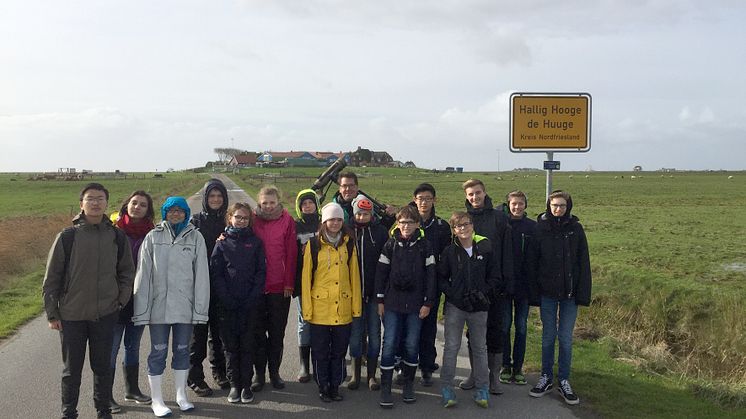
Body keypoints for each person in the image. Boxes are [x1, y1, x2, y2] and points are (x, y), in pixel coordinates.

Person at [43, 183, 136, 419]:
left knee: (102, 368)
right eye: (90, 198)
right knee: (71, 371)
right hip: (72, 316)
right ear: (81, 203)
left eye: (100, 198)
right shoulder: (67, 236)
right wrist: (53, 313)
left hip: (105, 314)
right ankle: (69, 413)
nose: (95, 203)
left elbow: (127, 272)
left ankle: (103, 411)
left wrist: (120, 300)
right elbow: (52, 278)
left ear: (107, 203)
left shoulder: (117, 236)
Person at [133, 197, 210, 417]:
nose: (176, 214)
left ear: (186, 214)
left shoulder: (196, 238)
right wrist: (141, 310)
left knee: (183, 351)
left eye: (180, 211)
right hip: (159, 309)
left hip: (184, 309)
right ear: (165, 213)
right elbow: (143, 275)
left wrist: (200, 309)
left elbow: (201, 276)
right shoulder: (152, 237)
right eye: (171, 211)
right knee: (158, 352)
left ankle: (181, 395)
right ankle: (157, 400)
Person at [527, 190, 591, 405]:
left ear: (568, 206)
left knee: (565, 338)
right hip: (547, 294)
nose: (558, 209)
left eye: (562, 205)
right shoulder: (540, 228)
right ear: (549, 206)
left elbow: (583, 262)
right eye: (554, 205)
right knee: (548, 336)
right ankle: (545, 377)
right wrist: (534, 293)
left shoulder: (576, 229)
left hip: (569, 295)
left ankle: (564, 380)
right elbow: (533, 262)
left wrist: (583, 294)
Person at [438, 211, 501, 408]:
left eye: (466, 224)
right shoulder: (449, 252)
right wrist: (454, 294)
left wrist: (483, 292)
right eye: (459, 226)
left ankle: (482, 389)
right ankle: (447, 388)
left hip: (479, 307)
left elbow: (495, 276)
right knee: (451, 348)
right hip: (456, 306)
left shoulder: (485, 248)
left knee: (480, 348)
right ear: (454, 230)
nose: (463, 228)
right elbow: (440, 278)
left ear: (473, 226)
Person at [375, 206, 437, 408]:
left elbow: (431, 277)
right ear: (397, 223)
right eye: (402, 222)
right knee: (390, 343)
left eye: (410, 222)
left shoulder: (425, 246)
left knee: (411, 344)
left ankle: (409, 385)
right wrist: (380, 300)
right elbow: (381, 274)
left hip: (416, 305)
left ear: (417, 224)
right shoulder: (390, 245)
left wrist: (428, 302)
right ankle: (386, 387)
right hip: (392, 304)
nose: (406, 226)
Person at [301, 203, 362, 402]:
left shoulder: (349, 244)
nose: (335, 223)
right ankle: (323, 385)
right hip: (320, 309)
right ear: (324, 222)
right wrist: (307, 310)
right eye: (331, 220)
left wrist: (356, 307)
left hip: (343, 308)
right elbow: (306, 279)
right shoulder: (313, 244)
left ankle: (335, 386)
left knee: (338, 351)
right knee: (320, 352)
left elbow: (354, 276)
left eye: (338, 220)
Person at [460, 179, 513, 395]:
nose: (475, 197)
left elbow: (507, 253)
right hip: (472, 288)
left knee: (495, 332)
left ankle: (494, 377)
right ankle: (475, 374)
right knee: (474, 333)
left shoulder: (500, 218)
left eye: (478, 193)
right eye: (471, 194)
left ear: (485, 192)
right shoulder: (463, 220)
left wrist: (506, 283)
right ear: (467, 197)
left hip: (496, 287)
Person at [210, 202, 266, 404]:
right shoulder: (221, 243)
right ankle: (234, 385)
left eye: (245, 218)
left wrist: (252, 297)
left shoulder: (256, 243)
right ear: (230, 218)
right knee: (231, 347)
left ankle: (246, 386)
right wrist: (227, 298)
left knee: (247, 345)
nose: (241, 221)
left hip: (250, 304)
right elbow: (216, 274)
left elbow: (261, 273)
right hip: (227, 306)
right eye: (238, 217)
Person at [109, 191, 155, 413]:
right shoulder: (113, 230)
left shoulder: (152, 233)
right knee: (111, 347)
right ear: (126, 205)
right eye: (134, 203)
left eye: (143, 205)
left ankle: (132, 390)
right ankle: (105, 396)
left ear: (148, 210)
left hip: (140, 298)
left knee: (133, 346)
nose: (137, 207)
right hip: (116, 298)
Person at [250, 185, 297, 392]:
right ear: (259, 203)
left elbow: (291, 252)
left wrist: (289, 282)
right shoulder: (252, 219)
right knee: (258, 334)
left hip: (280, 287)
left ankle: (274, 373)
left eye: (272, 202)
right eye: (264, 203)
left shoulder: (287, 220)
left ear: (278, 202)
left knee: (277, 334)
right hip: (257, 287)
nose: (268, 207)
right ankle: (259, 375)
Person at [405, 183, 452, 387]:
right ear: (414, 200)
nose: (424, 202)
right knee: (406, 327)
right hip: (407, 286)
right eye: (420, 198)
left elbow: (446, 257)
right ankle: (404, 366)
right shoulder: (406, 222)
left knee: (428, 328)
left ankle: (426, 366)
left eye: (428, 198)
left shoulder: (441, 227)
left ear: (434, 200)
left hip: (431, 285)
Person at [188, 179, 230, 395]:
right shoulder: (195, 222)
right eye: (212, 196)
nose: (215, 200)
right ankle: (194, 376)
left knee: (219, 332)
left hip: (222, 284)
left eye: (219, 196)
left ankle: (219, 371)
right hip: (199, 285)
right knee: (199, 334)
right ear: (205, 199)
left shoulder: (229, 221)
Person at [347, 195, 388, 391]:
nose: (362, 217)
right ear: (354, 213)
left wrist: (383, 293)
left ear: (371, 214)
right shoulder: (346, 232)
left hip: (374, 295)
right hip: (353, 295)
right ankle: (355, 374)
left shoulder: (380, 233)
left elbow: (387, 264)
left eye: (366, 214)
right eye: (359, 214)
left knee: (374, 335)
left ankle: (372, 375)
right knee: (355, 337)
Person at [500, 190, 536, 386]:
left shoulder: (532, 227)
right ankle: (505, 365)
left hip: (524, 287)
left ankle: (518, 367)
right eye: (514, 203)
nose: (517, 207)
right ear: (508, 204)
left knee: (521, 327)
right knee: (505, 326)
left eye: (520, 203)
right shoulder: (503, 225)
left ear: (525, 205)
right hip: (506, 286)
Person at [293, 189, 321, 383]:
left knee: (322, 322)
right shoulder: (295, 226)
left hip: (324, 281)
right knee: (305, 322)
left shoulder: (324, 224)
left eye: (311, 202)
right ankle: (304, 364)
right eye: (304, 204)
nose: (308, 206)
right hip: (304, 281)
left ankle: (320, 361)